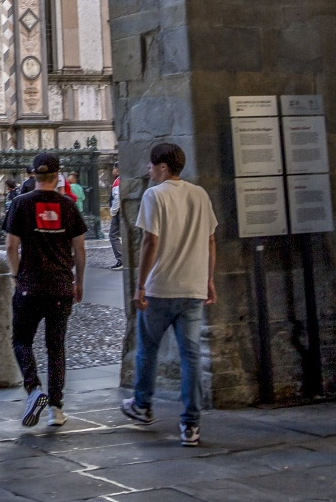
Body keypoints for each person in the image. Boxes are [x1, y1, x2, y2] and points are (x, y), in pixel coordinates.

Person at [120, 142, 216, 447]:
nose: (148, 170)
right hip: (193, 288)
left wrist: (140, 285)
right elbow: (211, 240)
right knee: (191, 357)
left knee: (147, 349)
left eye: (151, 165)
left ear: (162, 166)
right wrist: (209, 280)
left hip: (160, 288)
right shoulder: (200, 194)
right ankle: (191, 425)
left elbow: (150, 241)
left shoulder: (155, 195)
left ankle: (143, 405)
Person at [4, 152, 87, 429]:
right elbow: (80, 249)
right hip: (62, 286)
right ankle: (56, 409)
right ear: (57, 175)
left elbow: (10, 247)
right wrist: (79, 281)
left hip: (30, 285)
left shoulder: (20, 203)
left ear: (34, 175)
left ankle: (34, 388)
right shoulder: (68, 205)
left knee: (21, 341)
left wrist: (17, 275)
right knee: (56, 347)